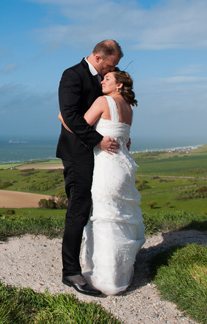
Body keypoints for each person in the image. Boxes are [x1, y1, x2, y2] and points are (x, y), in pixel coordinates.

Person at [56, 40, 123, 296]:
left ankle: (97, 261)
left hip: (98, 153)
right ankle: (71, 272)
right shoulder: (72, 75)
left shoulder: (102, 79)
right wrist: (99, 140)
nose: (111, 70)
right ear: (97, 57)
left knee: (96, 207)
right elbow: (70, 115)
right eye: (110, 64)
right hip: (76, 153)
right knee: (78, 210)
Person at [76, 70, 144, 295]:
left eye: (108, 79)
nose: (102, 80)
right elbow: (127, 141)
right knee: (121, 218)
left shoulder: (103, 101)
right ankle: (120, 273)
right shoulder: (129, 108)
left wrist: (64, 116)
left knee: (105, 219)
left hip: (107, 166)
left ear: (119, 85)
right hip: (125, 166)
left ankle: (107, 281)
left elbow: (81, 128)